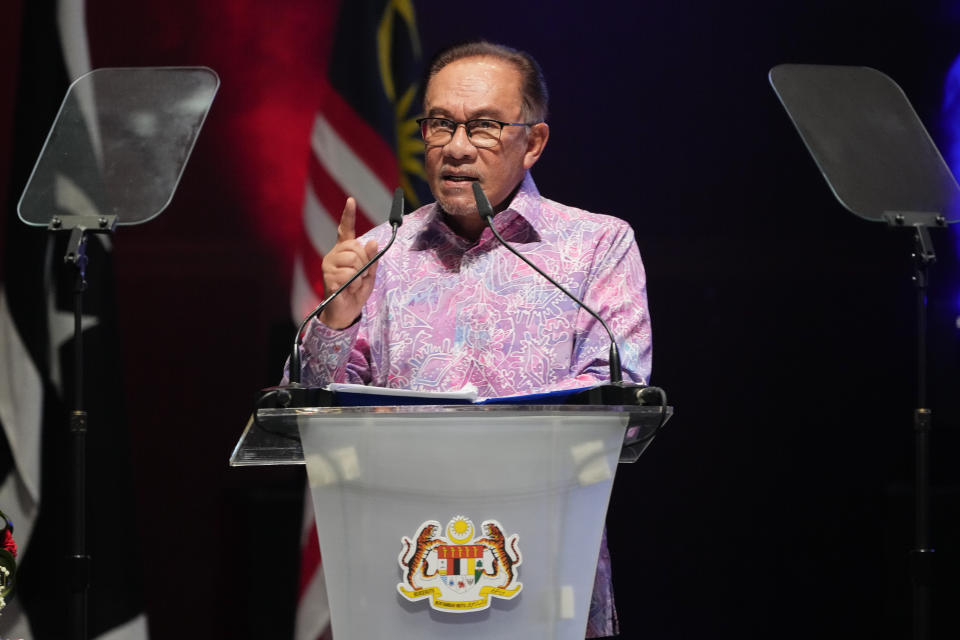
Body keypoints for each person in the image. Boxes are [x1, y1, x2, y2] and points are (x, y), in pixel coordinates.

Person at [293, 41, 652, 638]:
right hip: (401, 567)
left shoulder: (596, 246)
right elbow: (307, 412)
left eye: (484, 126)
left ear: (533, 142)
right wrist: (337, 321)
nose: (456, 147)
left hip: (545, 564)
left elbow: (621, 401)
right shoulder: (379, 253)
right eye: (440, 124)